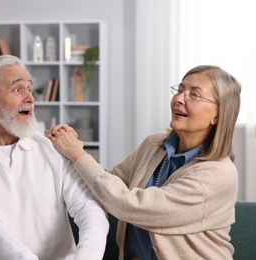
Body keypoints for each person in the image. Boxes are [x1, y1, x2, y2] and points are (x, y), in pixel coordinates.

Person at [46, 65, 241, 260]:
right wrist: (66, 150)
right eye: (181, 90)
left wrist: (78, 155)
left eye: (194, 95)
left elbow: (132, 205)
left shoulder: (218, 175)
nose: (180, 99)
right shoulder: (153, 145)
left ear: (218, 115)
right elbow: (109, 180)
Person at [0, 55, 109, 260]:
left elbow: (90, 210)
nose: (30, 98)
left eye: (29, 88)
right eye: (18, 89)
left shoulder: (54, 147)